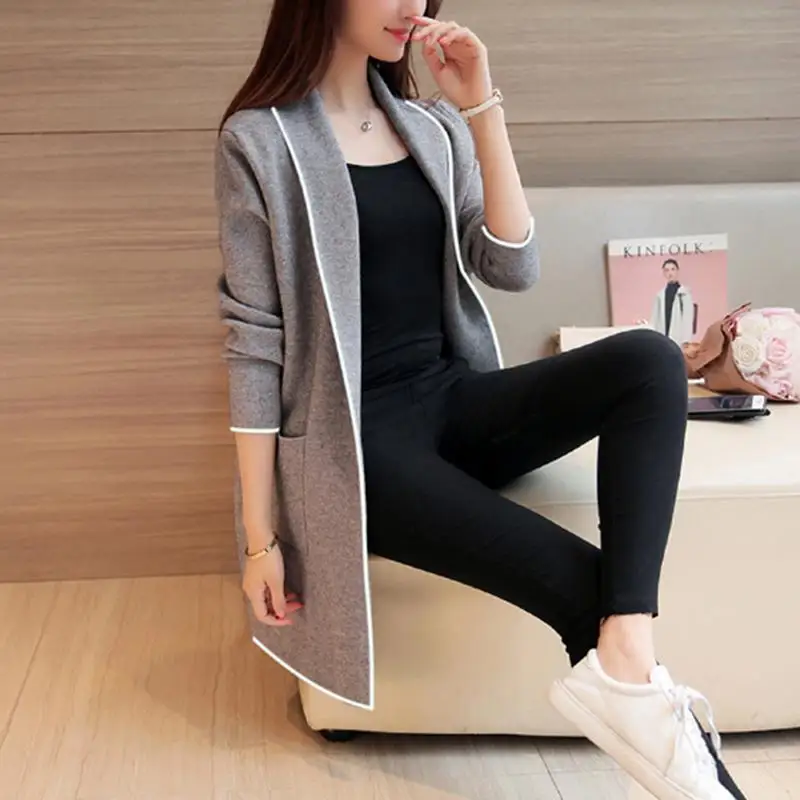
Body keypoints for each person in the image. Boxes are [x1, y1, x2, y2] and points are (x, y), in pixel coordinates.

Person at [214, 2, 747, 798]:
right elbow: (255, 343)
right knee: (583, 582)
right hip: (356, 445)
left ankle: (630, 657)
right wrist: (260, 539)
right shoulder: (260, 140)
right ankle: (695, 773)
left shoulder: (430, 128)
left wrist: (480, 109)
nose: (413, 6)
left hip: (452, 400)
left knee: (650, 360)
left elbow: (511, 266)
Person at [650, 258, 696, 345]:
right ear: (664, 273)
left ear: (677, 271)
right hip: (663, 337)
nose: (670, 273)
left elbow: (688, 318)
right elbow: (655, 318)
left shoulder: (684, 294)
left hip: (679, 337)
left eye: (672, 269)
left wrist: (686, 340)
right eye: (667, 270)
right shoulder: (660, 295)